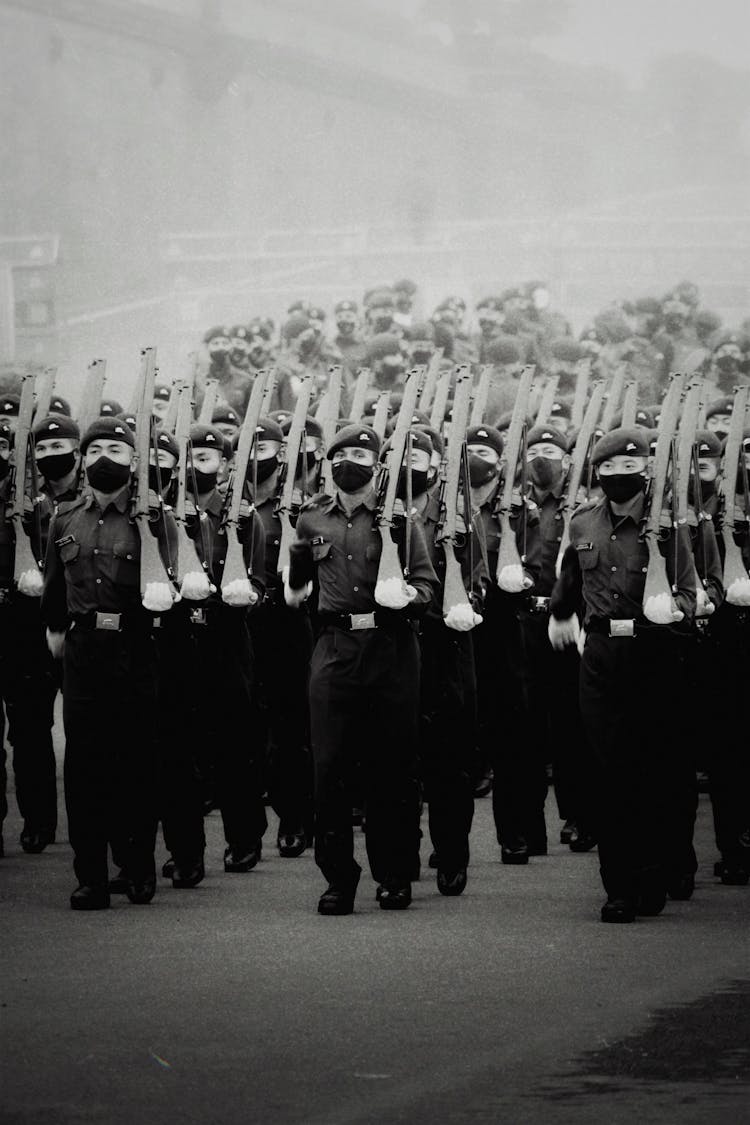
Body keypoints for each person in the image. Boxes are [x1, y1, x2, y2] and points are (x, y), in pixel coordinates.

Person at [288, 423, 439, 914]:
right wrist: (293, 580)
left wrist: (408, 597)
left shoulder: (400, 522)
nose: (347, 462)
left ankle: (393, 875)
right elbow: (298, 587)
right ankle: (338, 878)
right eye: (339, 454)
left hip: (391, 648)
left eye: (359, 453)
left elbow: (428, 588)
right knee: (328, 769)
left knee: (391, 769)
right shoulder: (312, 520)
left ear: (377, 465)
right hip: (334, 647)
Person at [549, 426, 697, 923]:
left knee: (652, 769)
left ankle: (654, 870)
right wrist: (561, 614)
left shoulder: (669, 527)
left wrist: (673, 607)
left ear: (644, 473)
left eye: (627, 468)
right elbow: (571, 578)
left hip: (654, 653)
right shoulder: (584, 524)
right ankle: (619, 886)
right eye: (608, 468)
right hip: (602, 655)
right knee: (608, 771)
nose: (618, 476)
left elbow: (692, 591)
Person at [41, 416, 177, 910]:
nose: (103, 460)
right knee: (84, 769)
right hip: (83, 656)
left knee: (136, 765)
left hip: (135, 651)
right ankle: (91, 876)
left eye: (115, 452)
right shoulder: (65, 519)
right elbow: (55, 588)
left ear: (133, 461)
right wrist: (56, 634)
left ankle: (137, 866)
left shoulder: (155, 520)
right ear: (81, 458)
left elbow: (174, 586)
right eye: (94, 450)